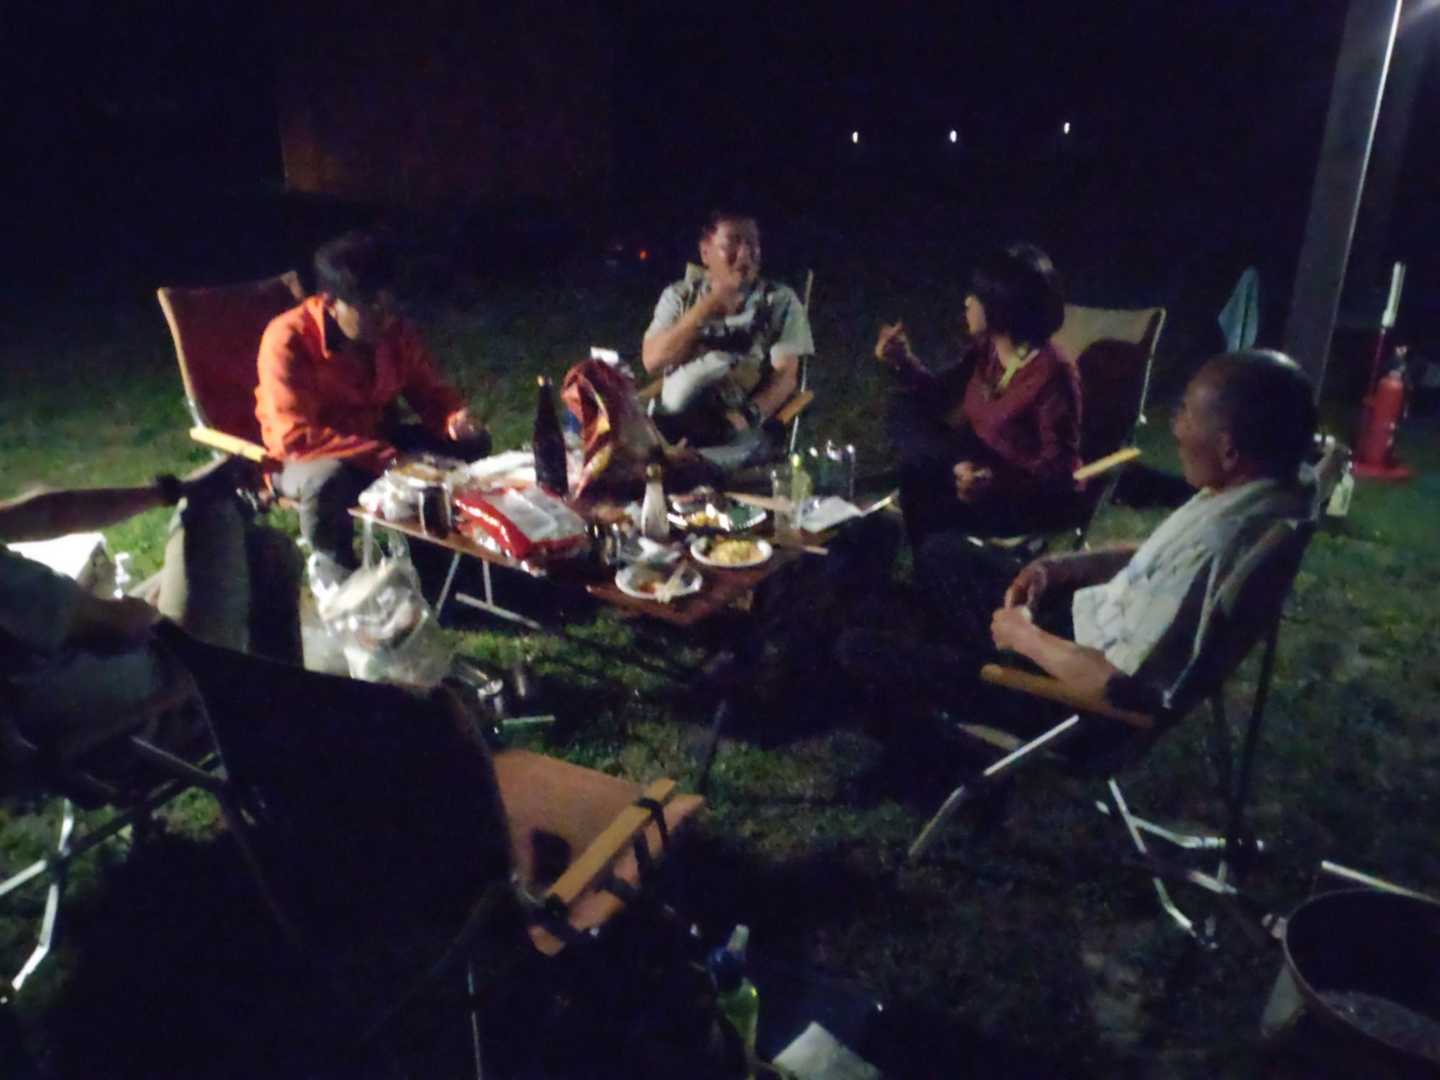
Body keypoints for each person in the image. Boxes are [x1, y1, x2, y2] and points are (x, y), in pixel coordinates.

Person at [844, 350, 1319, 784]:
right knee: (942, 555)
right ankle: (956, 649)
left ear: (1230, 450)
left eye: (1185, 414)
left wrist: (1023, 637)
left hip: (1063, 702)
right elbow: (1159, 556)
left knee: (860, 646)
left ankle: (947, 758)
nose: (1174, 426)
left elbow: (1117, 689)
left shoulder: (1221, 544)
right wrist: (1063, 567)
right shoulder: (1258, 494)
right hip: (1079, 631)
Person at [1, 459, 303, 759]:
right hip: (151, 708)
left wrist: (168, 490)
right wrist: (196, 491)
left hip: (85, 702)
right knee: (211, 507)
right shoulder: (12, 584)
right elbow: (122, 624)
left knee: (264, 552)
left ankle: (285, 719)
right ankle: (277, 725)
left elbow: (48, 513)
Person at [255, 231, 491, 574]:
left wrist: (453, 418)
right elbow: (295, 436)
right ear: (331, 302)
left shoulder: (392, 331)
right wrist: (387, 459)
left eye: (390, 307)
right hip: (307, 458)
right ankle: (339, 576)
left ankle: (445, 553)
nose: (386, 319)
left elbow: (427, 391)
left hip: (378, 442)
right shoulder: (287, 339)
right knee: (328, 480)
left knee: (473, 443)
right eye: (372, 309)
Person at [875, 243, 1080, 549]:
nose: (967, 301)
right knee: (904, 410)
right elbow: (940, 396)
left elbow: (1059, 472)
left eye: (978, 296)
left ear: (1002, 305)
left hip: (1015, 498)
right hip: (972, 465)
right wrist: (902, 361)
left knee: (921, 477)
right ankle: (930, 557)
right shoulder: (990, 351)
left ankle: (937, 560)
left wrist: (994, 481)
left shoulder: (1052, 374)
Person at [641, 211, 813, 462]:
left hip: (734, 428)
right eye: (732, 243)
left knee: (688, 466)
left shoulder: (778, 301)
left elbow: (785, 377)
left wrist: (746, 416)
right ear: (705, 253)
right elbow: (652, 361)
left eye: (752, 244)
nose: (744, 254)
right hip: (671, 423)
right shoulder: (680, 297)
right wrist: (709, 305)